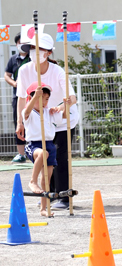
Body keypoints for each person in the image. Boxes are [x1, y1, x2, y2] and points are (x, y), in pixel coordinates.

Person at [16, 33, 79, 210]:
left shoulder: (58, 71)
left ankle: (63, 196)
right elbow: (22, 99)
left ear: (48, 53)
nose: (34, 53)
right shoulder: (24, 70)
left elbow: (72, 97)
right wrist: (19, 122)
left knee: (60, 157)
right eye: (32, 49)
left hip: (61, 118)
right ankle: (46, 195)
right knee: (43, 158)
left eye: (39, 49)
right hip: (38, 121)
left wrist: (62, 105)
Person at [23, 82, 68, 217]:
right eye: (41, 99)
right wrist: (35, 97)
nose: (44, 102)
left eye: (46, 99)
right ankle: (32, 181)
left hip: (48, 144)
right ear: (32, 99)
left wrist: (66, 104)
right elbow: (26, 112)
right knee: (43, 153)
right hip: (34, 145)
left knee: (46, 179)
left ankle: (44, 208)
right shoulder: (29, 112)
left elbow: (64, 117)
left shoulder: (48, 112)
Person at [4, 33, 30, 163]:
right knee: (19, 122)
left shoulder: (33, 58)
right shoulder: (13, 59)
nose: (22, 45)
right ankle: (21, 154)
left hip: (32, 95)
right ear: (16, 44)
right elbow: (6, 74)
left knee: (34, 120)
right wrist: (14, 83)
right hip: (18, 96)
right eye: (20, 43)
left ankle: (36, 150)